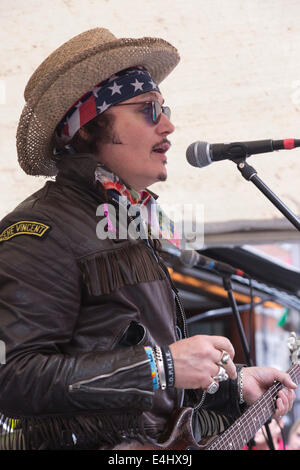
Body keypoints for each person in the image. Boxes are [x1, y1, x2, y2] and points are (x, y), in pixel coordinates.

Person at [0, 28, 296, 450]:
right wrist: (162, 366)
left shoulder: (129, 224)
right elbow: (13, 377)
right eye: (148, 109)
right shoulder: (40, 230)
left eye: (165, 108)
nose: (169, 125)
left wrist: (231, 387)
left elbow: (155, 393)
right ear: (87, 126)